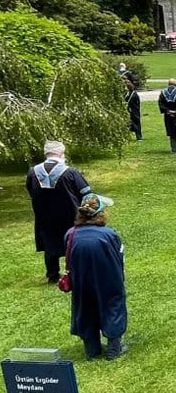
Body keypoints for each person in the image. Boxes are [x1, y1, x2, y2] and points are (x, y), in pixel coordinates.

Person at [67, 193, 127, 360]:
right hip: (109, 279)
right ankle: (114, 349)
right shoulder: (109, 234)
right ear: (100, 213)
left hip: (81, 282)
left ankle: (91, 350)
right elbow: (120, 257)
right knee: (113, 307)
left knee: (85, 309)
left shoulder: (70, 235)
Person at [26, 141, 91, 283]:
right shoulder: (70, 172)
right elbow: (85, 192)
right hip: (69, 215)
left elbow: (31, 191)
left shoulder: (33, 172)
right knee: (71, 242)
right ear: (61, 154)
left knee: (49, 243)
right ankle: (72, 273)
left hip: (44, 215)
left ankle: (53, 274)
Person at [158, 79, 176, 152]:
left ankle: (174, 148)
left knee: (172, 132)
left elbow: (161, 104)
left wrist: (167, 111)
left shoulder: (163, 93)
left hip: (168, 115)